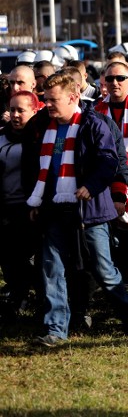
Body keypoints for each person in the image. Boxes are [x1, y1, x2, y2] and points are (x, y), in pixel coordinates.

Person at [27, 73, 128, 347]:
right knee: (51, 267)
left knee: (103, 269)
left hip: (89, 211)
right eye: (45, 100)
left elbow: (108, 160)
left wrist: (91, 186)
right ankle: (55, 329)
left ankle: (127, 314)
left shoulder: (94, 124)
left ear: (73, 97)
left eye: (53, 100)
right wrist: (36, 199)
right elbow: (38, 165)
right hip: (54, 208)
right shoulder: (44, 124)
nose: (48, 105)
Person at [93, 61, 128, 299]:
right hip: (106, 182)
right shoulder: (95, 110)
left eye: (121, 78)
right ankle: (114, 286)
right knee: (110, 236)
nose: (115, 83)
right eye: (110, 79)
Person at [0, 91, 41, 321]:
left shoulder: (40, 137)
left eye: (21, 110)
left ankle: (37, 299)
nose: (15, 115)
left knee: (30, 258)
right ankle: (18, 296)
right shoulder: (2, 138)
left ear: (34, 111)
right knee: (9, 258)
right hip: (6, 207)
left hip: (30, 208)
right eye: (12, 109)